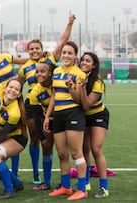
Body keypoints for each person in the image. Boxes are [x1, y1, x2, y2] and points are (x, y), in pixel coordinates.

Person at [17, 12, 75, 185]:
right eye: (31, 49)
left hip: (54, 104)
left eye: (37, 48)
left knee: (50, 142)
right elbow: (17, 88)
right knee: (36, 139)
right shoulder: (25, 68)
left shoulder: (50, 59)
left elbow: (63, 41)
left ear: (41, 49)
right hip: (32, 105)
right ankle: (36, 173)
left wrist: (70, 23)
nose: (34, 51)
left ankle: (55, 178)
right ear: (28, 51)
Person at [44, 41, 87, 200]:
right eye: (64, 52)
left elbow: (79, 101)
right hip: (59, 115)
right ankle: (66, 187)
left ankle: (82, 189)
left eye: (70, 53)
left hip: (73, 113)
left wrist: (70, 87)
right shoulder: (56, 71)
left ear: (75, 56)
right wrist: (48, 115)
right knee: (62, 154)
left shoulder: (79, 74)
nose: (66, 56)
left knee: (77, 153)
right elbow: (54, 95)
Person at [0, 37, 27, 199]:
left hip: (16, 139)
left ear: (19, 94)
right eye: (11, 87)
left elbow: (2, 134)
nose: (12, 90)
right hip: (3, 136)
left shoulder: (15, 112)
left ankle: (10, 190)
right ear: (6, 87)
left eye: (16, 89)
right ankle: (17, 183)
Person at [79, 52, 110, 198]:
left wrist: (83, 87)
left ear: (94, 65)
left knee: (96, 149)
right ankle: (85, 182)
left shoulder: (97, 82)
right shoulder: (77, 76)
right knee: (84, 149)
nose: (84, 63)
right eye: (82, 60)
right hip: (83, 117)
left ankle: (104, 187)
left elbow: (86, 105)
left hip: (98, 116)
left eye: (88, 61)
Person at [27, 62, 55, 191]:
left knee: (65, 151)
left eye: (42, 71)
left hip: (66, 119)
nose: (39, 74)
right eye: (37, 71)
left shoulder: (57, 83)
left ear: (50, 73)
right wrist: (42, 136)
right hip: (49, 121)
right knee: (46, 147)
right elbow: (37, 116)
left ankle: (77, 182)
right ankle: (47, 182)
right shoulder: (35, 92)